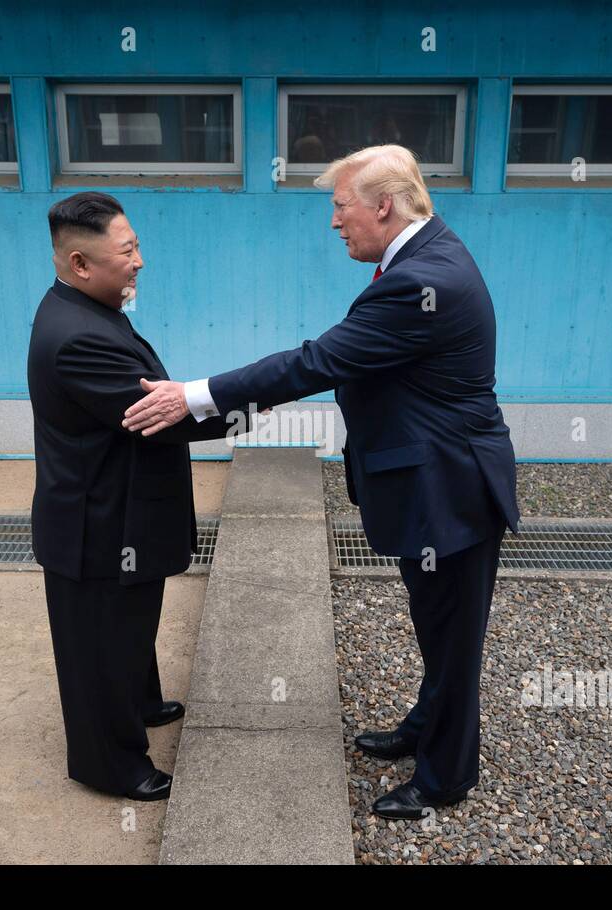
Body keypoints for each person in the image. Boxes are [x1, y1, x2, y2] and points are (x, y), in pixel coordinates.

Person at [120, 145, 519, 819]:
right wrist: (268, 394)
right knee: (437, 626)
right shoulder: (424, 259)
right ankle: (427, 726)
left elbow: (321, 359)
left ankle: (446, 775)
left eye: (340, 207)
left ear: (383, 206)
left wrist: (194, 395)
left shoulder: (424, 281)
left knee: (452, 637)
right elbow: (351, 359)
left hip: (449, 490)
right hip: (436, 482)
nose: (335, 223)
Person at [26, 192, 246, 801]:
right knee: (101, 648)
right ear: (79, 263)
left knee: (129, 629)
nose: (139, 261)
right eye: (127, 252)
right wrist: (252, 399)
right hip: (97, 526)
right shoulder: (77, 336)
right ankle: (112, 765)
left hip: (119, 510)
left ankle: (140, 703)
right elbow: (162, 417)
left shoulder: (91, 307)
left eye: (137, 245)